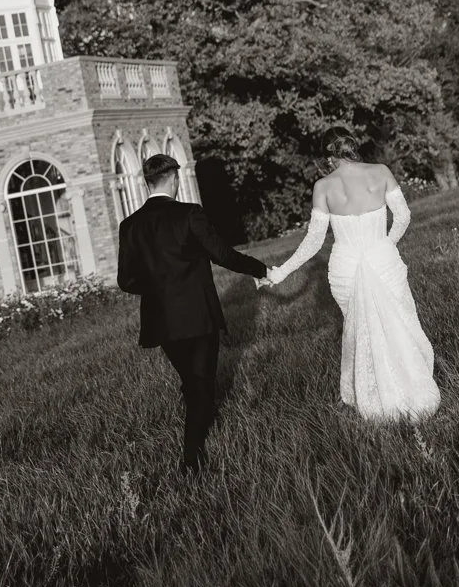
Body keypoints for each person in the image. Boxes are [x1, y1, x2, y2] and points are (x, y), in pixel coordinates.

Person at [262, 124, 440, 421]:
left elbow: (314, 241)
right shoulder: (381, 172)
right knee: (401, 323)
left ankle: (376, 396)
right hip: (383, 261)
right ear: (351, 145)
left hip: (345, 267)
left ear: (328, 156)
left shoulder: (323, 187)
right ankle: (410, 384)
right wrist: (385, 245)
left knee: (363, 332)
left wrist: (280, 273)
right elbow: (403, 217)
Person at [117, 152, 267, 475]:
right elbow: (222, 254)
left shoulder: (129, 226)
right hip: (197, 314)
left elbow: (125, 280)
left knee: (192, 380)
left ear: (147, 184)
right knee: (201, 388)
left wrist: (158, 287)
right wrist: (259, 269)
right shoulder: (190, 214)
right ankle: (191, 461)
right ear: (174, 178)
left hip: (161, 320)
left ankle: (196, 435)